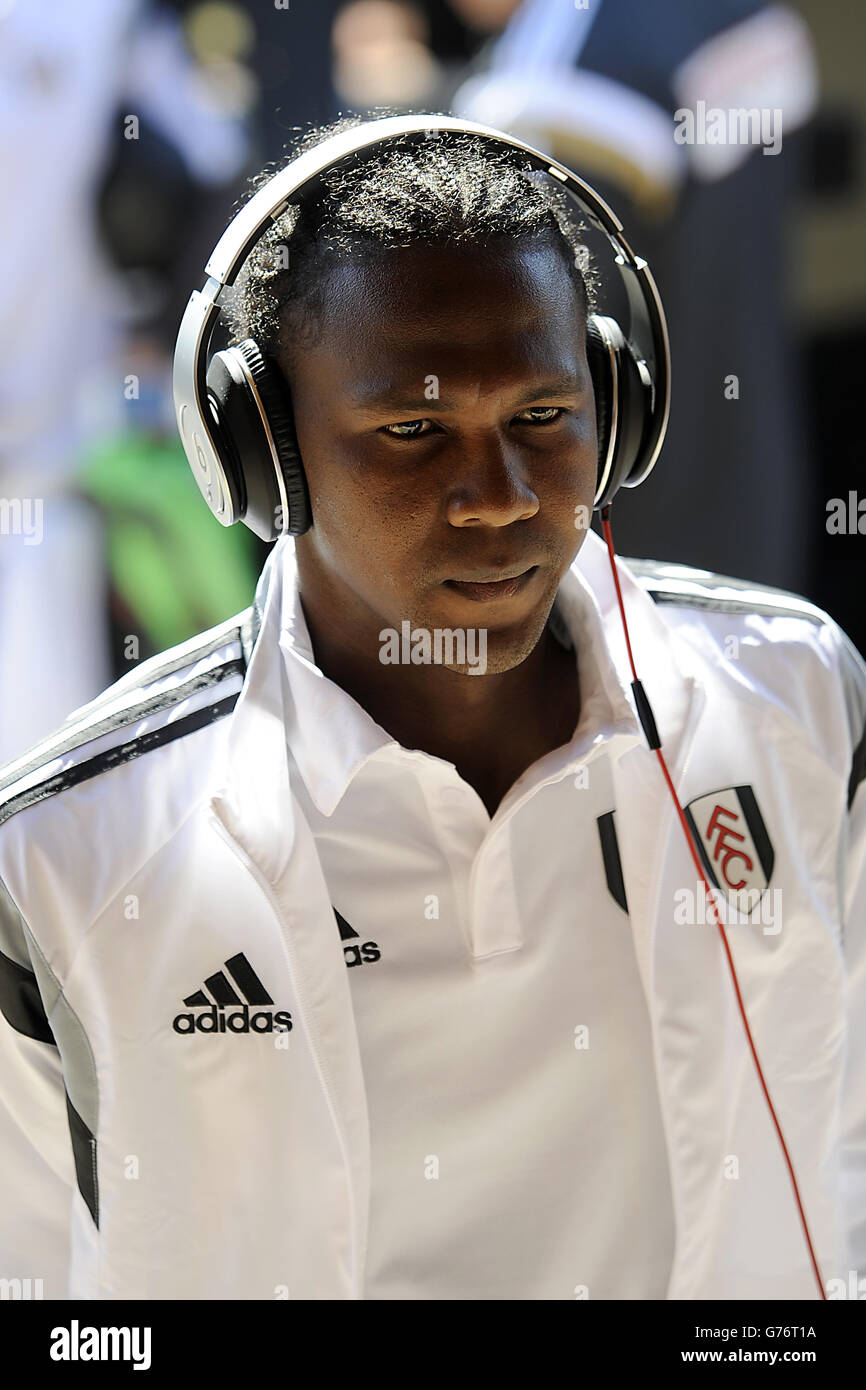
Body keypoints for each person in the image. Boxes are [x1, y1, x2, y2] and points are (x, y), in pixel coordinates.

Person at [0, 113, 863, 1302]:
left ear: (617, 406)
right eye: (412, 430)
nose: (500, 499)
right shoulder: (64, 860)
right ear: (261, 452)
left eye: (542, 417)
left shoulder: (797, 700)